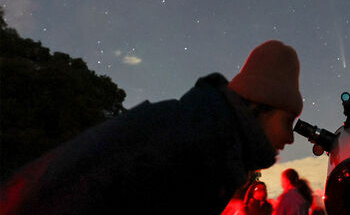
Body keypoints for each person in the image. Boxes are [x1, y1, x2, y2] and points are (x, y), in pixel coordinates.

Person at [0, 40, 304, 215]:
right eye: (287, 122)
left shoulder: (206, 135)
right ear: (259, 106)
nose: (291, 138)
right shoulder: (197, 147)